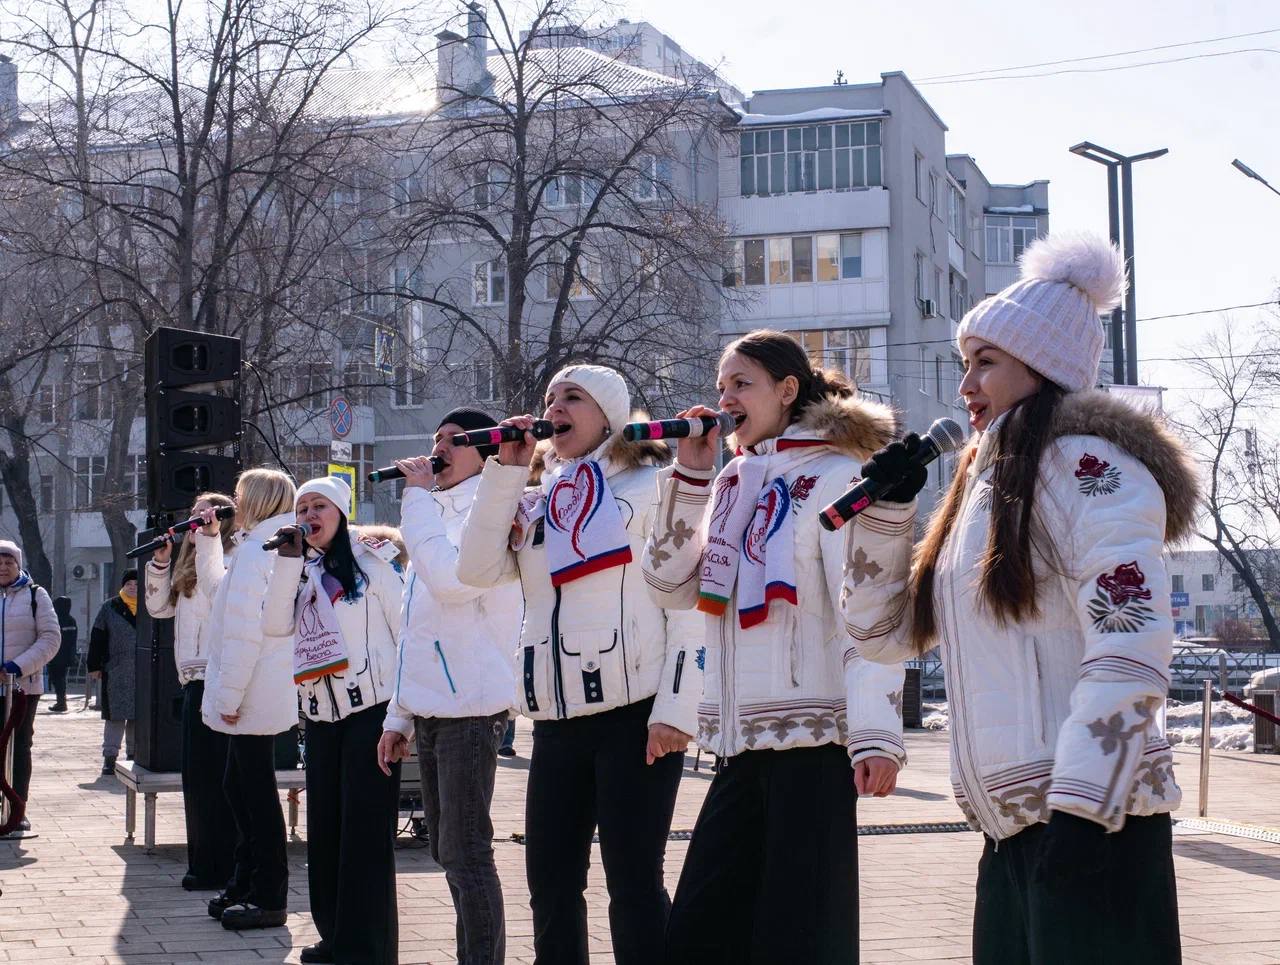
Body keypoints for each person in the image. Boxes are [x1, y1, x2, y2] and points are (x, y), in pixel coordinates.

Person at [840, 234, 1191, 965]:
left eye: (986, 362)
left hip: (1095, 821)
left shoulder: (1093, 469)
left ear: (1044, 364)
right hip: (1011, 831)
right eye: (966, 362)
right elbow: (884, 636)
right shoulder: (984, 483)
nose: (966, 383)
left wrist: (1085, 810)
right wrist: (886, 518)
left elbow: (1131, 639)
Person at [642, 330, 906, 965]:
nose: (726, 397)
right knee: (700, 933)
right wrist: (693, 473)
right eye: (721, 386)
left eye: (742, 384)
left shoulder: (839, 476)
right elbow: (670, 586)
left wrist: (876, 734)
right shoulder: (732, 480)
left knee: (800, 936)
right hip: (738, 744)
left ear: (788, 390)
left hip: (812, 745)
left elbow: (867, 610)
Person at [456, 366, 700, 965]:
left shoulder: (656, 486)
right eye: (549, 399)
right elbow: (476, 571)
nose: (554, 408)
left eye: (572, 398)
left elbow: (688, 605)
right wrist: (504, 473)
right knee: (551, 883)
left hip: (637, 717)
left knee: (634, 883)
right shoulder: (540, 498)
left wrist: (675, 709)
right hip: (558, 720)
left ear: (610, 414)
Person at [376, 408, 523, 965]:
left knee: (467, 853)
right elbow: (419, 632)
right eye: (434, 440)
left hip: (471, 706)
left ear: (485, 455)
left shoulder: (483, 516)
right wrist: (399, 717)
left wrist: (413, 499)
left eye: (454, 442)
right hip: (434, 708)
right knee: (445, 848)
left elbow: (452, 581)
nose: (437, 451)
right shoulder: (435, 516)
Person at [262, 476, 405, 965]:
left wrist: (403, 717)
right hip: (321, 717)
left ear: (341, 512)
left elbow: (405, 632)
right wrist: (286, 563)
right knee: (326, 833)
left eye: (319, 506)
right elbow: (275, 625)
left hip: (372, 712)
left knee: (364, 836)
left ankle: (369, 948)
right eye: (302, 508)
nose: (309, 515)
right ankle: (336, 937)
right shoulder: (297, 570)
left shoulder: (371, 563)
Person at [195, 468, 297, 931]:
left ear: (257, 499)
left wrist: (229, 695)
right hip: (253, 686)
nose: (232, 501)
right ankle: (245, 882)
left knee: (253, 796)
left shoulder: (261, 551)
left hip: (253, 688)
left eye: (239, 494)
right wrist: (208, 541)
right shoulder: (256, 547)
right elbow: (219, 596)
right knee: (240, 789)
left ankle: (268, 893)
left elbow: (243, 633)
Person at [143, 492, 239, 891]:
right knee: (197, 780)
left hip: (223, 678)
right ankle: (203, 863)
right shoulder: (186, 564)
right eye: (194, 515)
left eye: (206, 515)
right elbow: (158, 609)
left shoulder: (235, 558)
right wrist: (161, 562)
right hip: (192, 681)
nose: (197, 521)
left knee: (224, 779)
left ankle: (228, 864)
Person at [0, 539, 60, 829]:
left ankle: (17, 808)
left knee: (19, 746)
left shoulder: (36, 595)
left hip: (22, 688)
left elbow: (50, 639)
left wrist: (16, 666)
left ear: (18, 564)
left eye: (8, 562)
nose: (3, 567)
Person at [88, 570, 138, 776]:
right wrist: (94, 666)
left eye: (137, 584)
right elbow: (97, 637)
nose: (133, 588)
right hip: (116, 670)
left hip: (144, 671)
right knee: (115, 717)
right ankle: (110, 758)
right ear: (123, 586)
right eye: (129, 584)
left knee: (138, 717)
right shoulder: (109, 607)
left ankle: (135, 755)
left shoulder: (150, 605)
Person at [46, 596, 77, 713]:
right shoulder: (71, 620)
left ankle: (61, 702)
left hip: (56, 654)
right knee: (61, 678)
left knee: (57, 678)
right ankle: (61, 701)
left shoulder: (56, 619)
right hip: (66, 655)